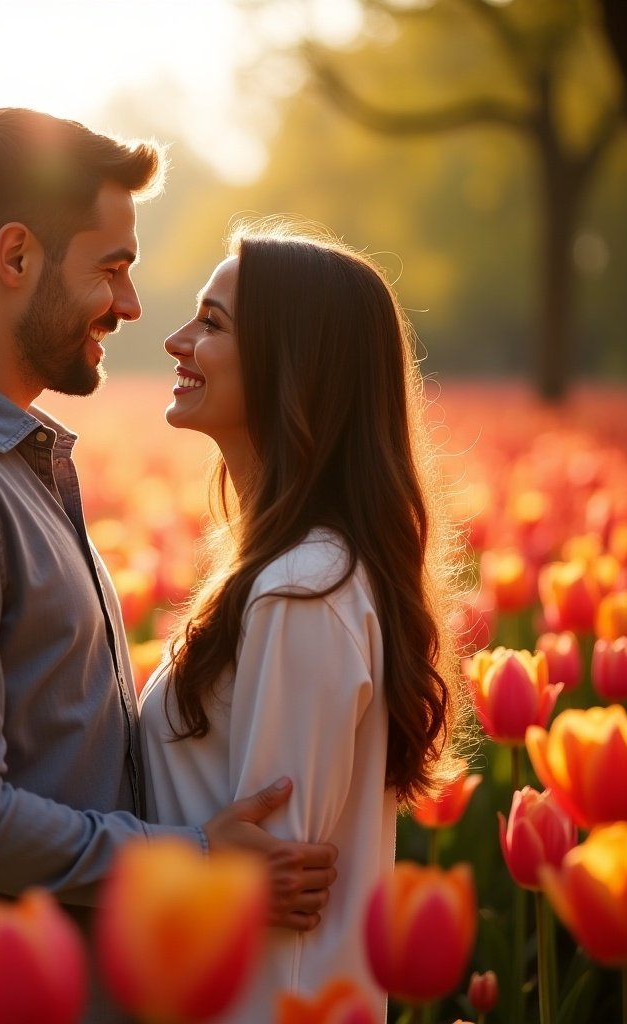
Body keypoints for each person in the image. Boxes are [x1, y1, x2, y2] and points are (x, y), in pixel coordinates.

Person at [0, 108, 338, 1024]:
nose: (133, 306)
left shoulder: (2, 465)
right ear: (15, 257)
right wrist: (195, 860)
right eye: (112, 267)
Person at [136, 219, 468, 1019]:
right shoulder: (298, 574)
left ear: (295, 367)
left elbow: (277, 904)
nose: (178, 339)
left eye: (213, 323)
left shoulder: (302, 590)